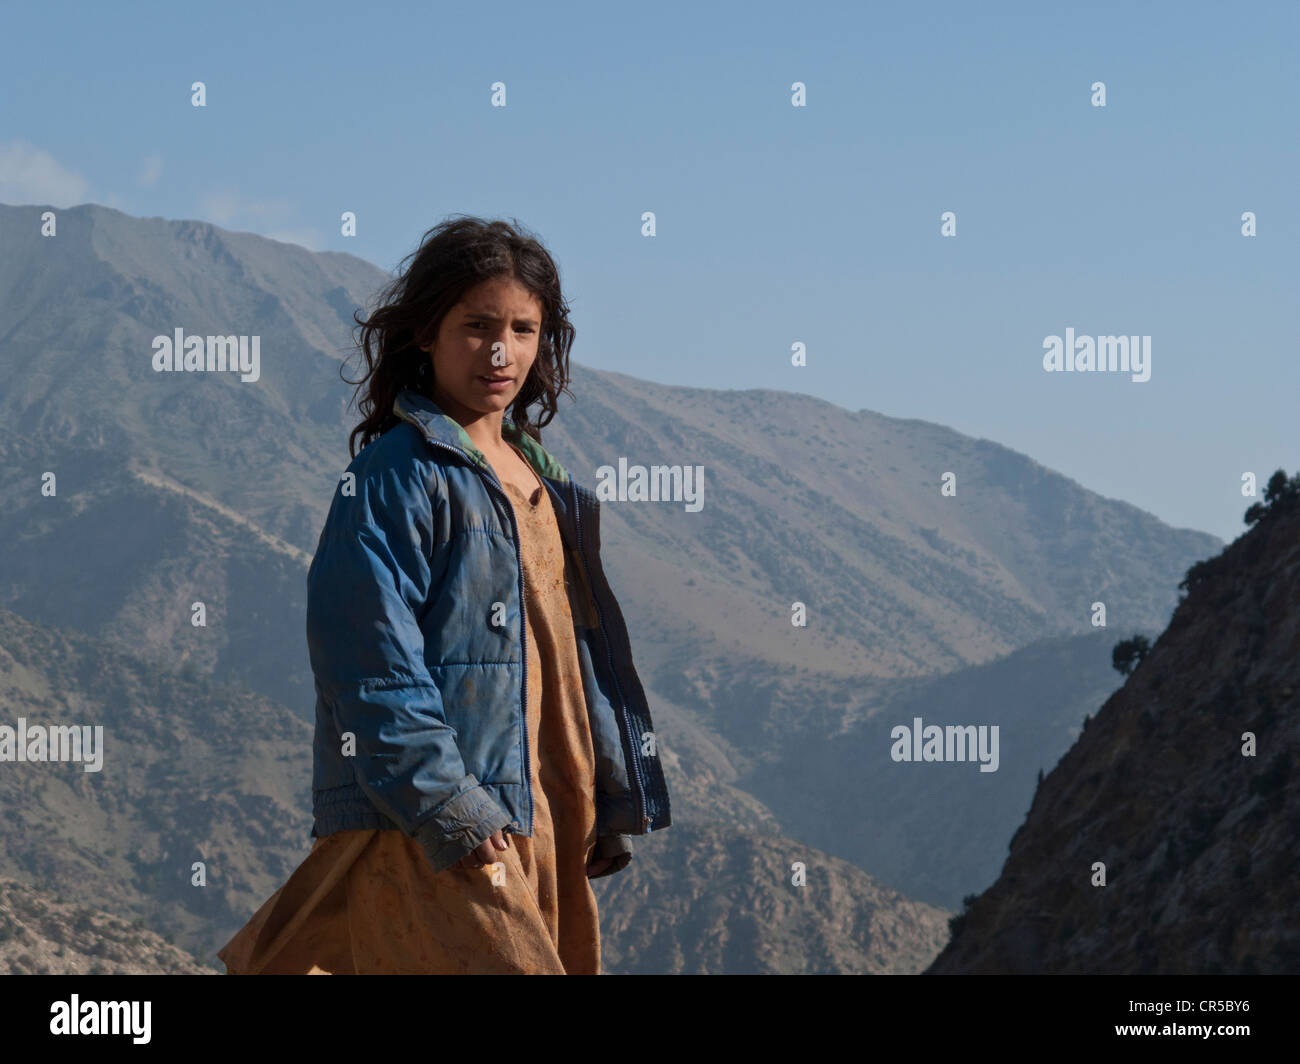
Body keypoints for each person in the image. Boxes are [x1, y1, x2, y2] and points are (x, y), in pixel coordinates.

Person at [217, 215, 671, 974]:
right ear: (425, 333)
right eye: (476, 326)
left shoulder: (544, 481)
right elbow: (366, 658)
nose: (501, 351)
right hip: (447, 826)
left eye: (524, 329)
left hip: (550, 816)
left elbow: (569, 660)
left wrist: (604, 797)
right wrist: (447, 805)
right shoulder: (396, 477)